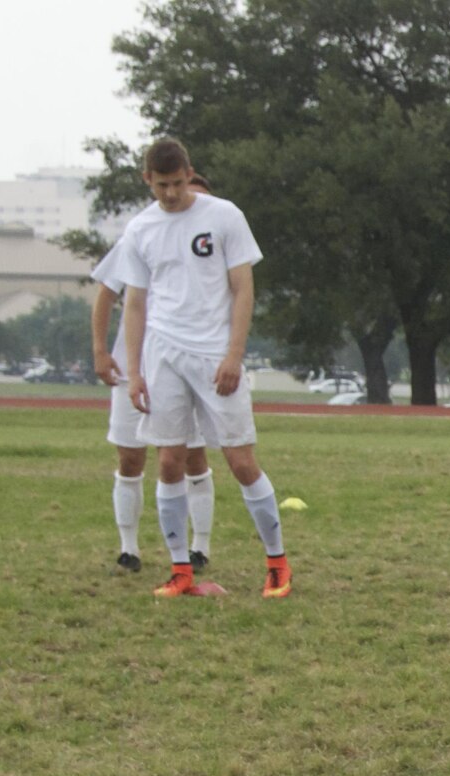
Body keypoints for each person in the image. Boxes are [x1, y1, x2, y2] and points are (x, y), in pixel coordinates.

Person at [120, 139, 292, 599]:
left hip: (215, 356)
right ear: (147, 181)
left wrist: (234, 354)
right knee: (170, 461)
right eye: (162, 186)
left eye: (177, 184)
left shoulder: (224, 216)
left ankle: (277, 563)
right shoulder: (139, 229)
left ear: (189, 173)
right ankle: (181, 571)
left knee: (240, 460)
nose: (171, 194)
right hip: (163, 357)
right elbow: (134, 303)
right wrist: (134, 372)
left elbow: (243, 288)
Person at [92, 172, 217, 575]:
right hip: (136, 366)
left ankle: (198, 547)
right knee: (130, 458)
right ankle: (129, 549)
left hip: (188, 366)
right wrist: (99, 350)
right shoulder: (141, 233)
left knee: (190, 457)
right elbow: (107, 295)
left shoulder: (215, 243)